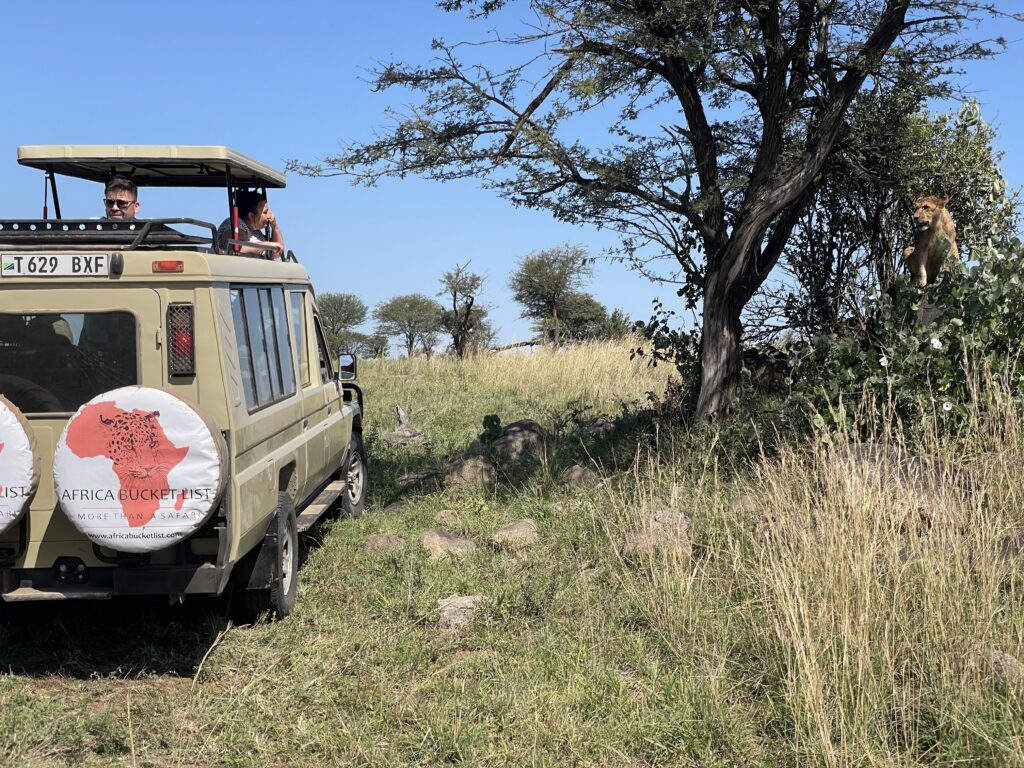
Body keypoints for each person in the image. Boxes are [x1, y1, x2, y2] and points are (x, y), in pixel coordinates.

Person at [216, 190, 285, 259]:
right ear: (251, 216)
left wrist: (274, 227)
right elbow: (239, 249)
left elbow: (276, 253)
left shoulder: (256, 232)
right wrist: (267, 244)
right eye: (265, 212)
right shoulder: (235, 224)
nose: (269, 215)